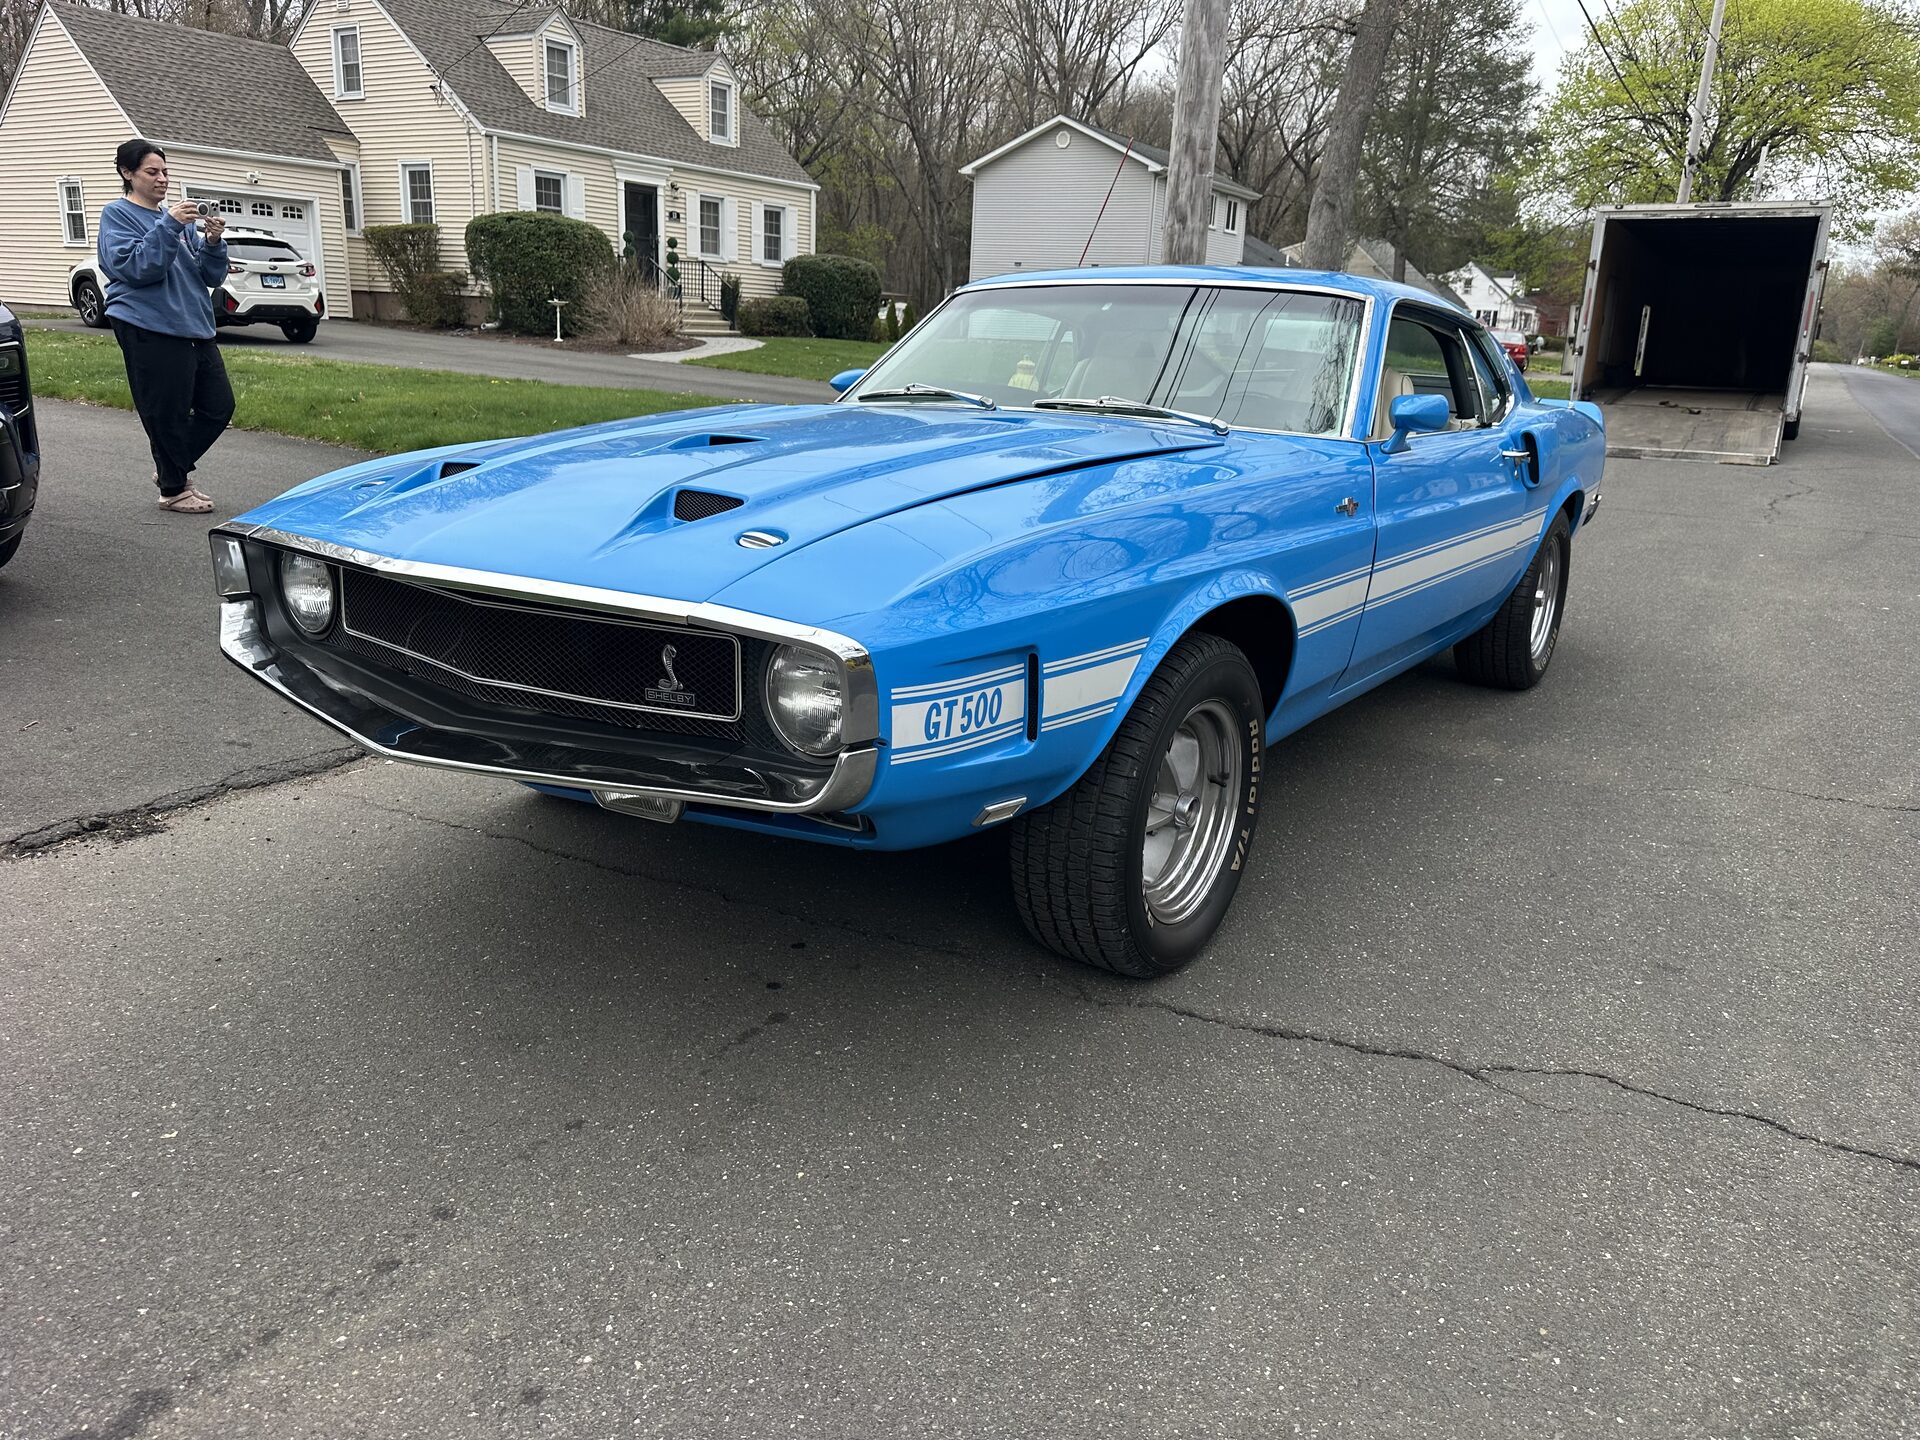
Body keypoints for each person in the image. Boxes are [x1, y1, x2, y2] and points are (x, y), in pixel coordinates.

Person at [98, 138, 234, 514]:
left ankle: (170, 470)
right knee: (167, 410)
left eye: (165, 172)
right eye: (152, 172)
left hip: (193, 324)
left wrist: (212, 241)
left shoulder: (180, 222)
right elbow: (137, 268)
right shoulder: (118, 215)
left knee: (218, 406)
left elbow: (209, 275)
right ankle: (174, 489)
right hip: (147, 324)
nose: (162, 179)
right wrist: (169, 224)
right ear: (127, 173)